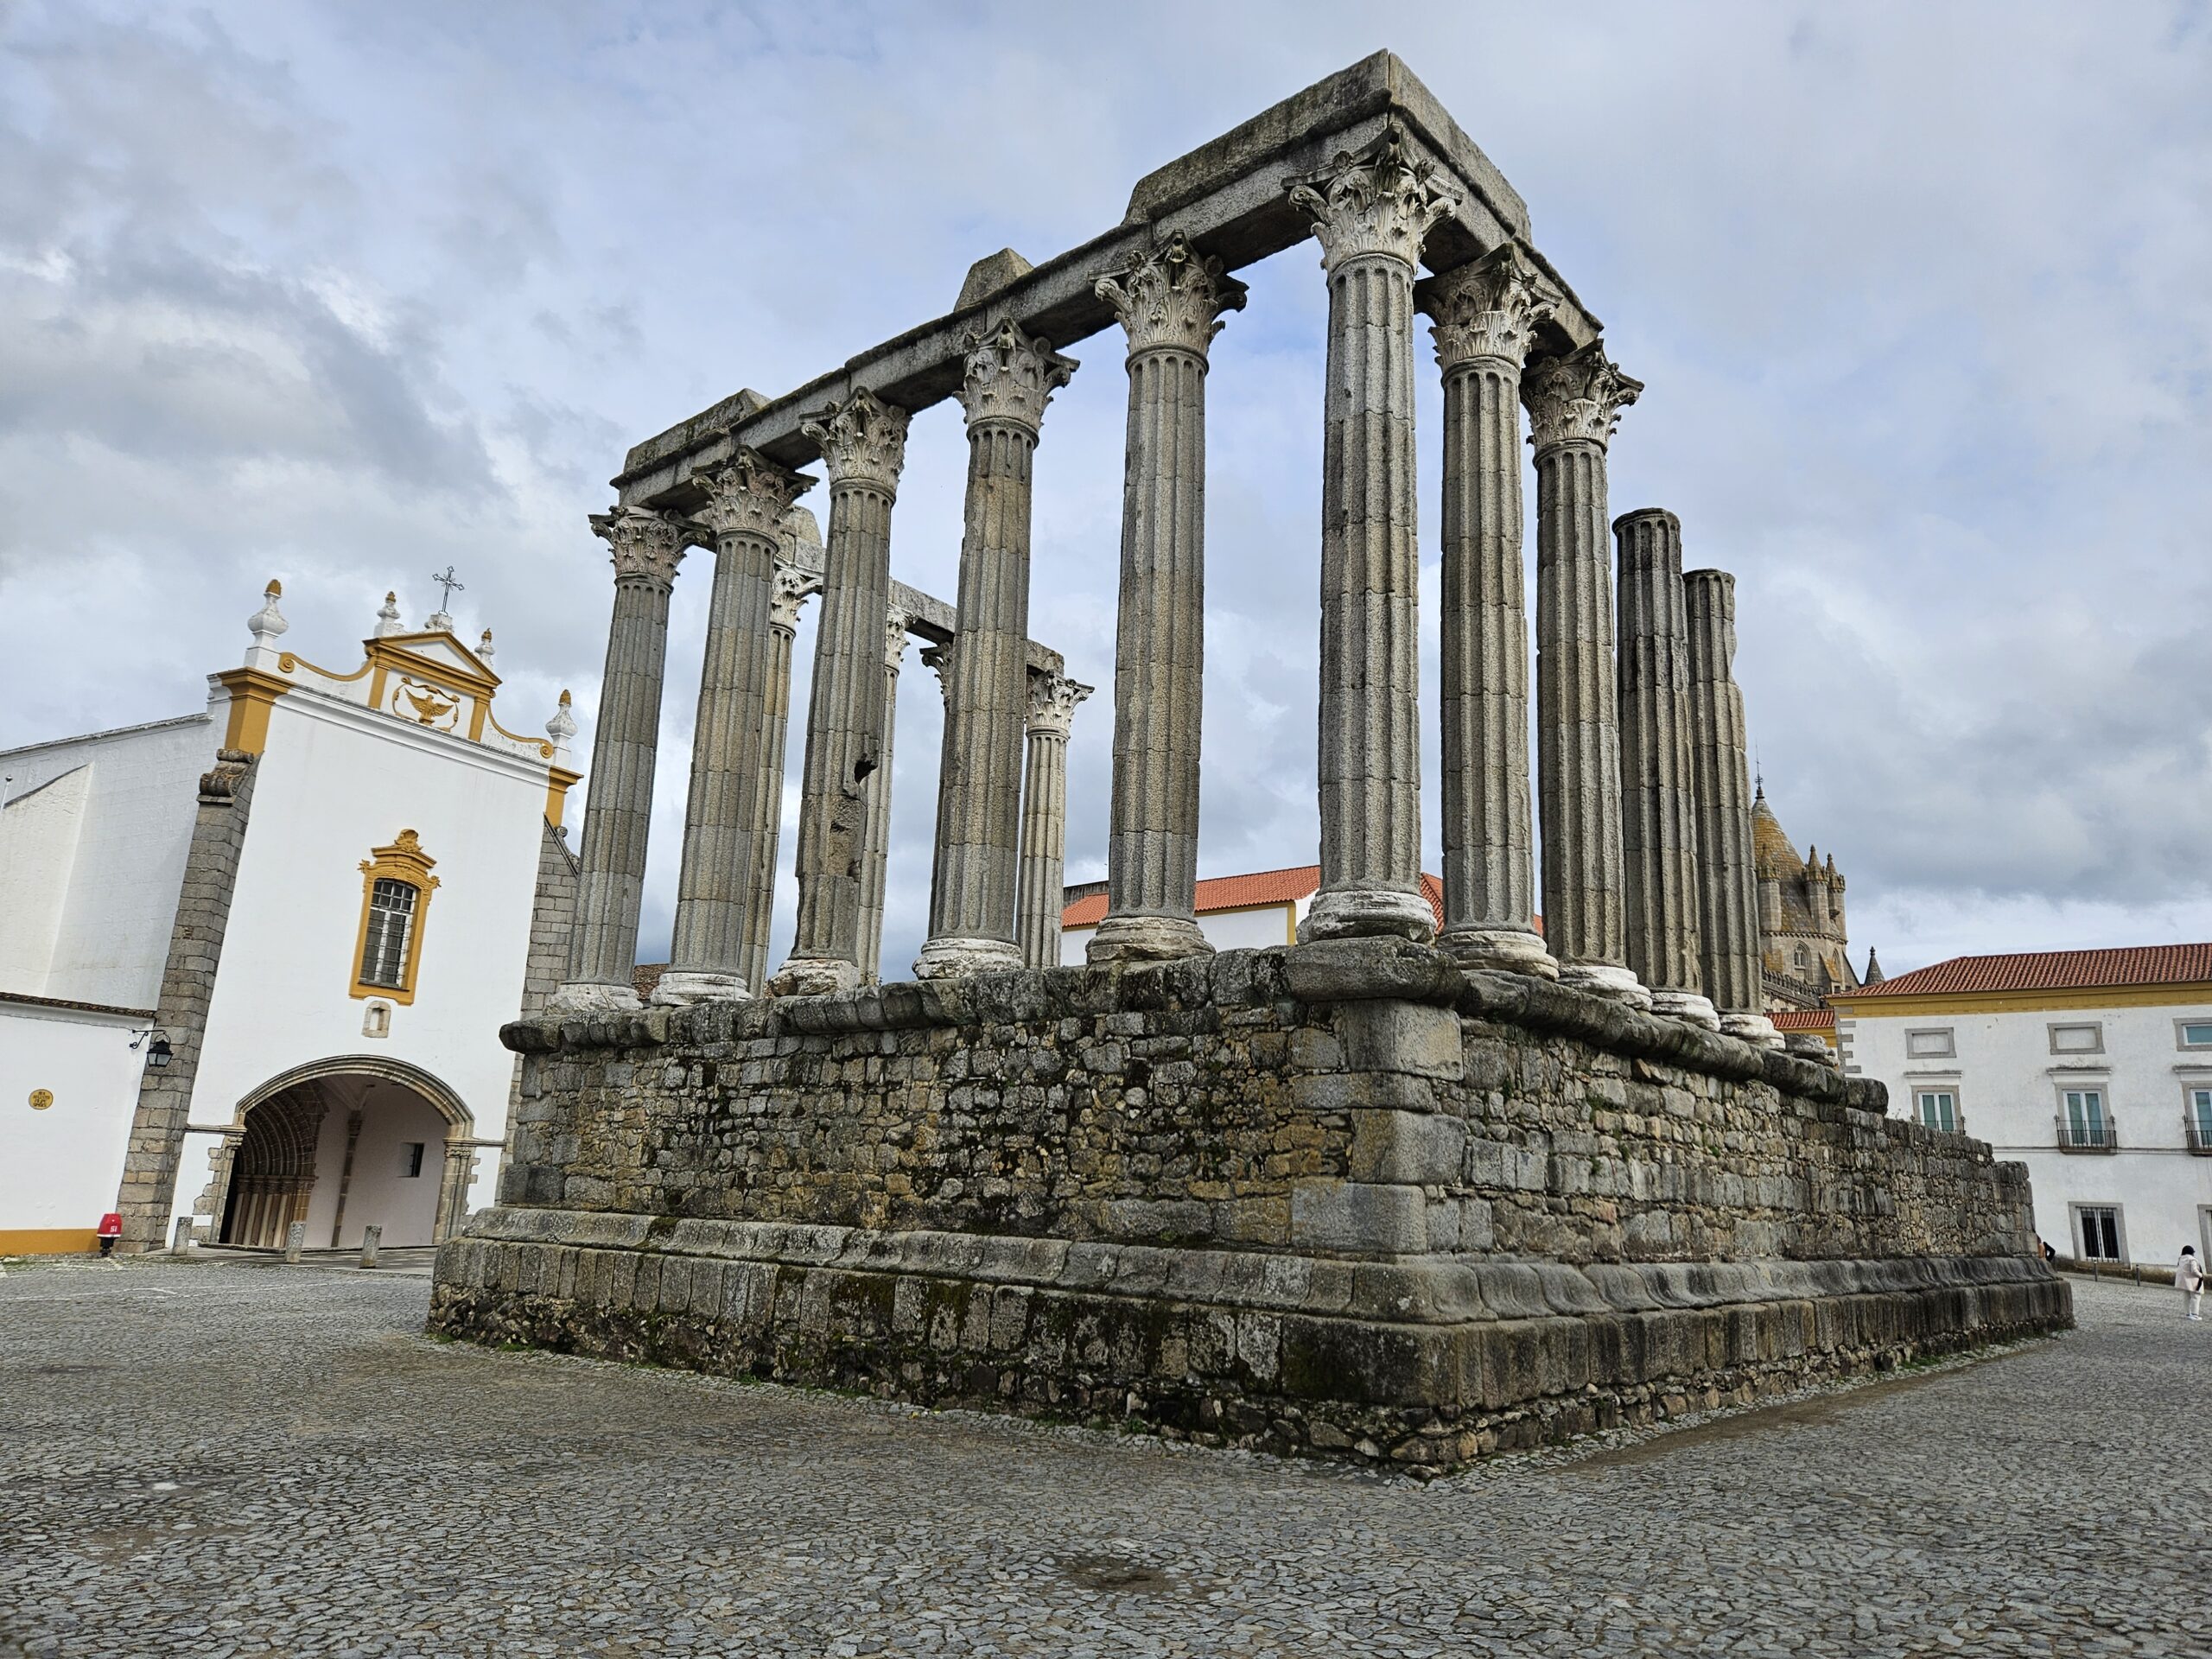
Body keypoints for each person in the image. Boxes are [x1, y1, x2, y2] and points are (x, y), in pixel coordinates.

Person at [2179, 1246, 2204, 1322]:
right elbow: (2194, 1271)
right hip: (2193, 1281)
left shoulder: (2181, 1259)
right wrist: (2201, 1275)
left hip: (2185, 1281)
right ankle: (2194, 1314)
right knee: (2195, 1297)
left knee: (2186, 1297)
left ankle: (2188, 1314)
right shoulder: (2192, 1260)